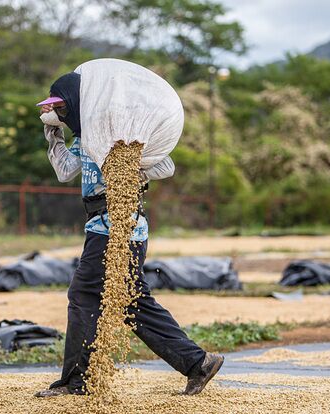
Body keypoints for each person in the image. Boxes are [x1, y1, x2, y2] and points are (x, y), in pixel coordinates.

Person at [34, 72, 224, 397]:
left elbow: (166, 167)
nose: (63, 115)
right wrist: (53, 133)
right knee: (131, 300)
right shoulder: (86, 137)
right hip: (107, 227)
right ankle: (197, 362)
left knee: (83, 295)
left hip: (118, 227)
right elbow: (66, 171)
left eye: (64, 110)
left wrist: (133, 164)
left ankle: (77, 381)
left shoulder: (120, 134)